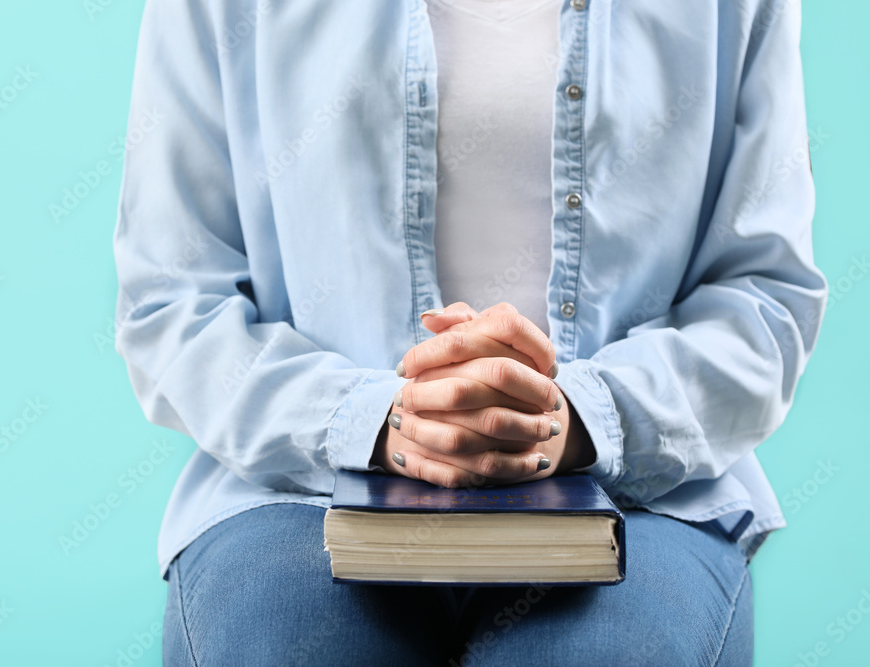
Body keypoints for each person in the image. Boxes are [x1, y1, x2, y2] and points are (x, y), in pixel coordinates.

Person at [112, 0, 826, 664]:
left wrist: (579, 418)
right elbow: (173, 298)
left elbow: (762, 295)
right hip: (295, 487)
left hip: (639, 498)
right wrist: (370, 420)